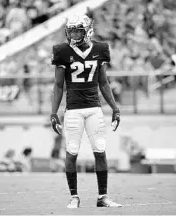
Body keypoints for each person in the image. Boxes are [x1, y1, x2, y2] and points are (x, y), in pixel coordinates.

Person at [50, 14, 121, 208]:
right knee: (72, 152)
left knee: (100, 150)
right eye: (71, 30)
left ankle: (103, 197)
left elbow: (104, 82)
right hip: (73, 110)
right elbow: (58, 85)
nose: (73, 34)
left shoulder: (100, 49)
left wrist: (115, 108)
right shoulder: (62, 51)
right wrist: (54, 112)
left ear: (88, 30)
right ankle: (74, 196)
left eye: (77, 30)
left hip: (94, 108)